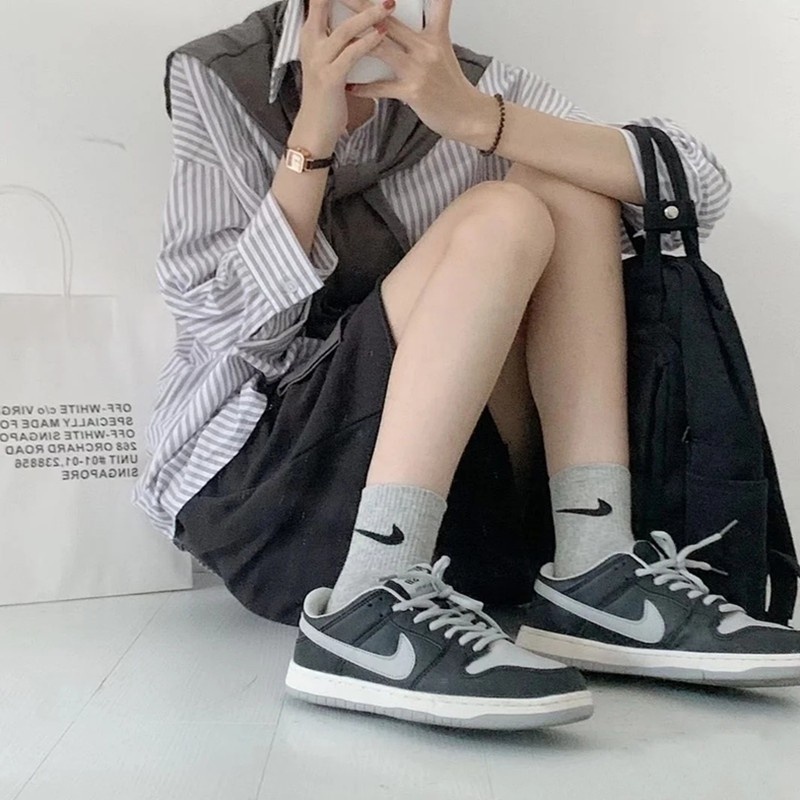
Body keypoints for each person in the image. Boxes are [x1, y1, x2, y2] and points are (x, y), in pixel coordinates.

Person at [134, 0, 800, 730]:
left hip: (458, 511)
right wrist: (310, 142)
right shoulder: (223, 77)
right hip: (273, 492)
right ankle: (367, 595)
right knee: (502, 215)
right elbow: (229, 333)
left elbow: (697, 189)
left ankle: (594, 563)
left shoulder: (465, 81)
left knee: (567, 183)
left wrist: (480, 118)